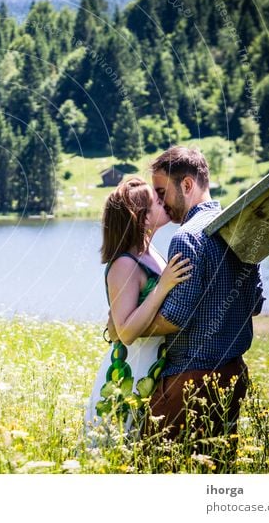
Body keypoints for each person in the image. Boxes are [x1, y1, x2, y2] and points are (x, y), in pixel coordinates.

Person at [112, 147, 265, 466]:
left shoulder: (187, 238)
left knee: (152, 466)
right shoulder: (240, 226)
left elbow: (174, 318)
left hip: (190, 381)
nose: (160, 201)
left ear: (186, 185)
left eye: (161, 191)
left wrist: (126, 327)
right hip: (233, 374)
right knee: (215, 471)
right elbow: (255, 304)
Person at [84, 176, 191, 445]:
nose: (164, 201)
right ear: (141, 218)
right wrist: (163, 286)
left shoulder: (150, 252)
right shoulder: (124, 264)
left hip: (151, 367)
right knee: (111, 450)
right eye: (157, 200)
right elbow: (127, 332)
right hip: (127, 374)